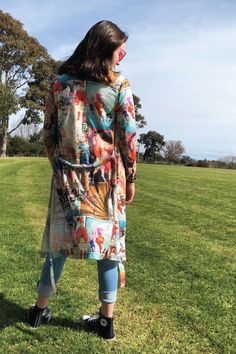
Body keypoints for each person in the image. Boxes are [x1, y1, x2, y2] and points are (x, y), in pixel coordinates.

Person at [26, 20, 136, 340]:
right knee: (108, 248)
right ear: (104, 50)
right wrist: (130, 177)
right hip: (106, 180)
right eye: (119, 49)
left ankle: (38, 310)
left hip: (66, 176)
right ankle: (106, 321)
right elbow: (128, 137)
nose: (123, 54)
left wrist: (60, 168)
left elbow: (49, 134)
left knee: (57, 245)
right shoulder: (118, 85)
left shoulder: (59, 84)